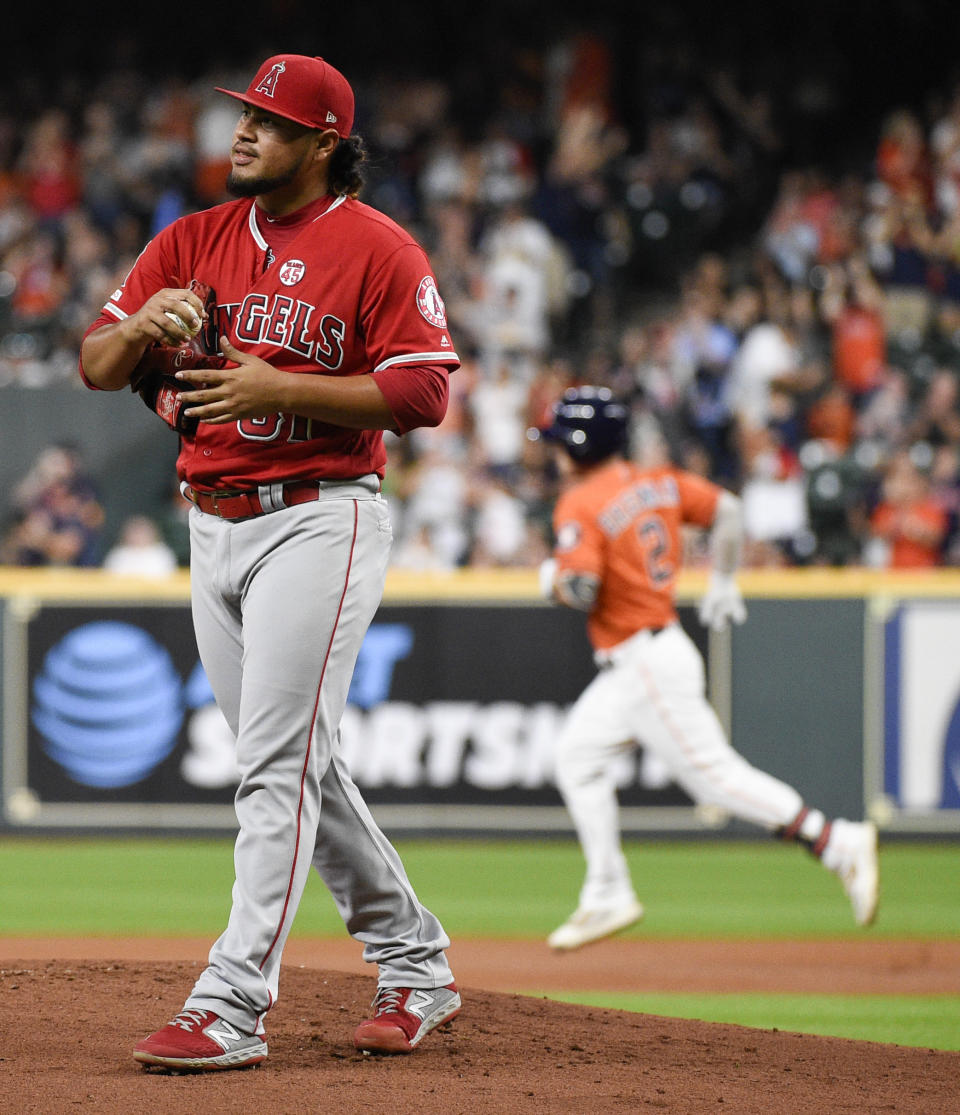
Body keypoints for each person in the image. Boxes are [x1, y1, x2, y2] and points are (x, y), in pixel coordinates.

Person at [79, 53, 461, 1070]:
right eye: (243, 116)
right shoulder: (196, 237)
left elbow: (423, 394)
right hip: (211, 520)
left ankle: (233, 997)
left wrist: (275, 389)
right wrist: (144, 329)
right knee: (301, 767)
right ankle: (416, 960)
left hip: (319, 518)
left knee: (272, 769)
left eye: (267, 121)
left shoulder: (380, 249)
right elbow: (96, 360)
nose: (241, 133)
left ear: (323, 142)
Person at [536, 385, 879, 951]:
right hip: (642, 658)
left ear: (576, 445)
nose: (552, 452)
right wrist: (722, 578)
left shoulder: (580, 500)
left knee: (714, 778)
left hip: (645, 661)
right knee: (576, 758)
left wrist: (550, 579)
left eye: (557, 442)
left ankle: (836, 840)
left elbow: (580, 585)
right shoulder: (658, 481)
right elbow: (729, 509)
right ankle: (606, 890)